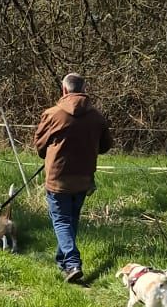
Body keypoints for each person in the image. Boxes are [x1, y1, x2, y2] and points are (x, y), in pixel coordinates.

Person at [33, 73, 112, 284]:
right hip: (84, 178)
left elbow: (40, 146)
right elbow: (105, 146)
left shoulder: (52, 114)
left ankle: (72, 262)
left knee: (61, 220)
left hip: (58, 178)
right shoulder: (97, 117)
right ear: (83, 89)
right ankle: (63, 262)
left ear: (64, 90)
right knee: (72, 219)